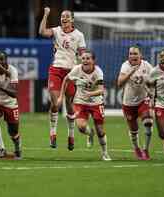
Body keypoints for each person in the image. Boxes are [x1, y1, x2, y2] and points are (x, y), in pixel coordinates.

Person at [39, 7, 86, 149]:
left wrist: (81, 69)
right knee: (55, 104)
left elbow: (83, 54)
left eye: (66, 16)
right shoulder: (56, 31)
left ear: (72, 19)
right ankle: (53, 134)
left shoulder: (79, 35)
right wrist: (46, 15)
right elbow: (41, 32)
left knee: (70, 106)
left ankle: (71, 135)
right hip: (56, 70)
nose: (64, 18)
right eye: (62, 16)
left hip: (71, 72)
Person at [57, 50, 111, 161]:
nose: (85, 61)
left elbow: (101, 90)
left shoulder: (98, 72)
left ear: (93, 61)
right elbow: (66, 79)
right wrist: (60, 96)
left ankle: (105, 153)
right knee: (81, 127)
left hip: (96, 102)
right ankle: (90, 134)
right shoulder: (76, 70)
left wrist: (89, 93)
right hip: (80, 102)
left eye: (88, 58)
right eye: (83, 58)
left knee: (100, 131)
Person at [117, 45, 154, 160]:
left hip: (143, 100)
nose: (132, 56)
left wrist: (152, 90)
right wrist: (130, 72)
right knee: (134, 130)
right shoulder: (125, 66)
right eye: (130, 54)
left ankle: (146, 149)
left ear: (140, 55)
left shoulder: (146, 65)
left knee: (148, 122)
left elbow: (155, 79)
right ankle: (137, 148)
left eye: (135, 53)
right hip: (128, 103)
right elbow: (119, 83)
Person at [0, 51, 22, 159]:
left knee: (13, 132)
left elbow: (14, 93)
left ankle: (17, 149)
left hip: (10, 103)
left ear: (6, 60)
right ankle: (1, 150)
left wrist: (0, 86)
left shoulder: (12, 71)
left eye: (1, 59)